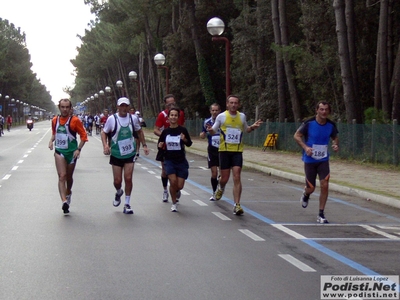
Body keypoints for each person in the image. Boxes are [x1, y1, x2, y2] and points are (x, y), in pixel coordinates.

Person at [207, 95, 263, 215]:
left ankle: (237, 205)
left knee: (237, 176)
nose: (233, 105)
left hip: (237, 151)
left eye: (236, 103)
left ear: (238, 104)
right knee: (225, 178)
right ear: (227, 104)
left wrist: (253, 127)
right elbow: (214, 131)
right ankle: (220, 188)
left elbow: (246, 129)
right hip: (224, 151)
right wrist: (210, 130)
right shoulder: (222, 116)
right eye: (231, 103)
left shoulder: (242, 116)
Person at [101, 97, 149, 214]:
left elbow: (139, 131)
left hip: (129, 153)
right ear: (117, 107)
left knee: (128, 178)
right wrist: (105, 145)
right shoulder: (112, 119)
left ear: (128, 107)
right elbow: (104, 132)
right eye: (121, 106)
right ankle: (118, 192)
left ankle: (127, 203)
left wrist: (144, 145)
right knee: (117, 181)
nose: (123, 108)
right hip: (116, 153)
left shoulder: (133, 119)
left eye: (125, 106)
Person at [294, 101, 339, 224]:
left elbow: (335, 137)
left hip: (323, 160)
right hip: (310, 160)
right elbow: (297, 136)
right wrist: (305, 147)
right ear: (317, 110)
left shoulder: (331, 125)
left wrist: (335, 145)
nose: (324, 112)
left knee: (325, 185)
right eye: (321, 109)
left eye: (326, 110)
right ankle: (306, 194)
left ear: (329, 111)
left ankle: (321, 214)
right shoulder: (309, 123)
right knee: (311, 188)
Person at [48, 99, 88, 214]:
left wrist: (78, 149)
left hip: (71, 153)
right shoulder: (55, 120)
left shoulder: (75, 121)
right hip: (59, 151)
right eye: (62, 107)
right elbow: (55, 133)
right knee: (62, 176)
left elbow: (84, 136)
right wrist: (51, 141)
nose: (65, 109)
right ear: (59, 108)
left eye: (67, 107)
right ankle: (64, 201)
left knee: (69, 177)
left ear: (70, 108)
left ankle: (68, 191)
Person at [157, 107, 192, 212]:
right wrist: (160, 145)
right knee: (172, 181)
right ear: (168, 117)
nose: (173, 117)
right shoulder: (165, 132)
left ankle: (176, 191)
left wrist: (184, 139)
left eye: (175, 115)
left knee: (179, 186)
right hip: (169, 160)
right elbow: (160, 145)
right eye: (171, 115)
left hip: (181, 160)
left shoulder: (182, 130)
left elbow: (189, 143)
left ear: (178, 117)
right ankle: (174, 203)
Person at [154, 94, 185, 202]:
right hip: (165, 148)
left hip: (178, 148)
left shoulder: (180, 113)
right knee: (165, 171)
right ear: (166, 104)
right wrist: (165, 136)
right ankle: (165, 190)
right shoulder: (162, 115)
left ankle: (175, 188)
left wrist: (182, 138)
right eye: (169, 104)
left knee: (177, 171)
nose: (171, 105)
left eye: (173, 103)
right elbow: (156, 129)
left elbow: (182, 128)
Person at [200, 103, 221, 201]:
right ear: (210, 111)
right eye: (213, 110)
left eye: (216, 110)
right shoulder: (207, 122)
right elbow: (202, 133)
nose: (214, 112)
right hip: (212, 149)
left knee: (222, 174)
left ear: (219, 111)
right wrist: (202, 135)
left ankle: (220, 188)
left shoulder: (223, 121)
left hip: (222, 149)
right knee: (214, 173)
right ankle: (214, 192)